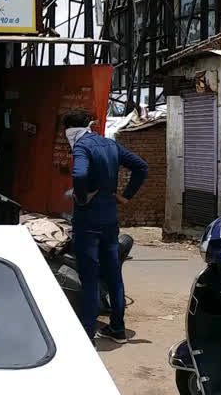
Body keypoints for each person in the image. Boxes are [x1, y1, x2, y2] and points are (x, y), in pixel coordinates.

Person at [63, 109, 148, 344]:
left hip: (87, 221)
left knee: (89, 278)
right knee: (113, 276)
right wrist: (126, 195)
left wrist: (80, 197)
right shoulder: (110, 145)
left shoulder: (82, 146)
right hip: (110, 218)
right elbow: (141, 166)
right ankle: (117, 329)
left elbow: (79, 174)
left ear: (70, 130)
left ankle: (87, 333)